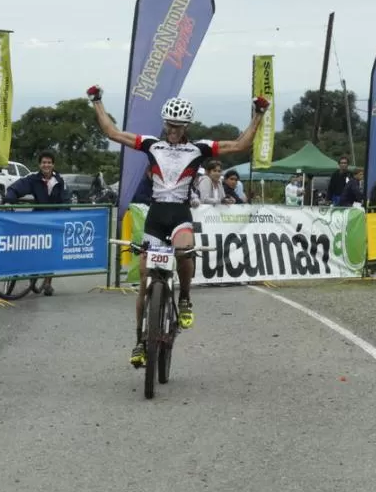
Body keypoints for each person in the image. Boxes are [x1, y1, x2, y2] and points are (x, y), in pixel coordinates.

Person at [88, 83, 269, 367]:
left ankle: (184, 299)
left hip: (180, 215)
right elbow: (112, 132)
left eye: (178, 126)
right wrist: (96, 101)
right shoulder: (151, 144)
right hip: (156, 215)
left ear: (186, 127)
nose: (173, 130)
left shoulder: (198, 148)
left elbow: (240, 145)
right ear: (165, 123)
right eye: (170, 125)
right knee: (145, 281)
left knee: (185, 251)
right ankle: (139, 341)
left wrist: (258, 114)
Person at [4, 150, 68, 296]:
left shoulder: (59, 180)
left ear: (53, 165)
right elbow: (15, 188)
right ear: (39, 164)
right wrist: (10, 198)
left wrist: (63, 213)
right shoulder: (33, 179)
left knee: (52, 251)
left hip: (54, 220)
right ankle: (34, 274)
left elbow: (65, 200)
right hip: (38, 219)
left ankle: (47, 282)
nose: (46, 165)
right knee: (35, 247)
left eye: (49, 162)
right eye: (44, 162)